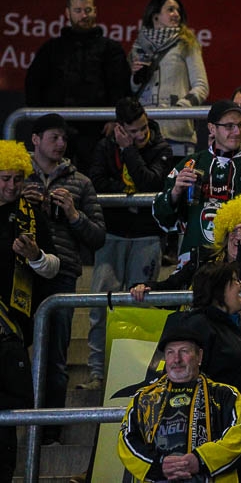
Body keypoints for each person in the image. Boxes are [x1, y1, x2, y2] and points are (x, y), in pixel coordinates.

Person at [161, 262, 241, 482]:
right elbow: (180, 382)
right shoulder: (196, 327)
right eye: (234, 281)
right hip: (218, 446)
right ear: (218, 289)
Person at [22, 113, 106, 444]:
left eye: (64, 139)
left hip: (62, 275)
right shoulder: (15, 176)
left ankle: (49, 432)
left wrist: (73, 214)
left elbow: (98, 237)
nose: (61, 144)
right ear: (35, 140)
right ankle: (18, 425)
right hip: (17, 272)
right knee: (13, 350)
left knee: (55, 358)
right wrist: (19, 202)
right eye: (54, 137)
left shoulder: (80, 182)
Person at [80, 97, 172, 390]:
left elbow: (151, 184)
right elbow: (95, 182)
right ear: (119, 128)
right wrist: (123, 189)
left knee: (140, 307)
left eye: (143, 128)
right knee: (101, 304)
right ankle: (97, 373)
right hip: (112, 234)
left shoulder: (161, 148)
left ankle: (134, 375)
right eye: (133, 131)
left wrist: (129, 150)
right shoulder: (105, 147)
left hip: (147, 236)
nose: (141, 134)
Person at [118, 326, 241, 482]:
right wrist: (157, 466)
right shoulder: (144, 398)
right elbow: (126, 440)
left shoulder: (225, 394)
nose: (177, 359)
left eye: (184, 351)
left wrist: (201, 459)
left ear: (199, 356)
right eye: (170, 352)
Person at [152, 100, 241, 268]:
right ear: (212, 128)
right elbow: (161, 218)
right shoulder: (190, 164)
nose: (237, 131)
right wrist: (175, 193)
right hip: (193, 266)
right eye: (229, 126)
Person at [0, 140, 59, 480]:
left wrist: (35, 255)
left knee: (6, 418)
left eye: (18, 179)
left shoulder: (31, 214)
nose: (12, 186)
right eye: (5, 179)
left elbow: (54, 267)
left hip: (12, 332)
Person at [24, 0, 131, 175]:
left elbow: (121, 87)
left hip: (99, 131)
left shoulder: (111, 49)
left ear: (95, 11)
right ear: (68, 13)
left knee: (97, 180)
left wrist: (114, 118)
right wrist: (45, 123)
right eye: (78, 10)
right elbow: (33, 85)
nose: (83, 15)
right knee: (53, 179)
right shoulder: (52, 49)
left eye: (87, 10)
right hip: (58, 128)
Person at [131, 191, 241, 306]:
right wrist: (145, 287)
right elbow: (172, 285)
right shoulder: (203, 258)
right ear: (225, 234)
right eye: (234, 231)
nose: (238, 237)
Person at [130, 0, 209, 160]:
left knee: (178, 176)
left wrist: (180, 109)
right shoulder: (138, 47)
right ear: (155, 16)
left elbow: (201, 86)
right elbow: (132, 90)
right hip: (144, 132)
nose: (176, 14)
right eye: (171, 10)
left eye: (178, 11)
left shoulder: (187, 43)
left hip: (177, 132)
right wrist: (136, 77)